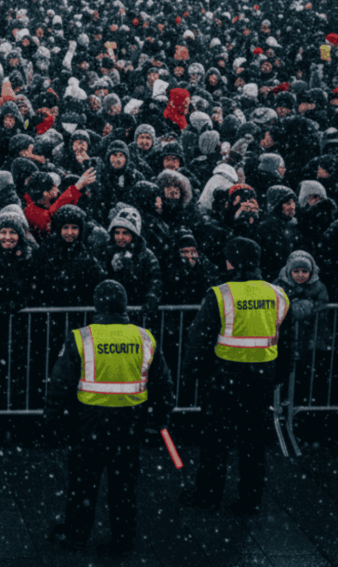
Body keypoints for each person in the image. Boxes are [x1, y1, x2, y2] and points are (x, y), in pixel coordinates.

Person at [46, 280, 175, 555]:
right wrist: (160, 417)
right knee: (124, 485)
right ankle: (123, 539)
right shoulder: (144, 338)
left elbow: (60, 384)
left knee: (83, 483)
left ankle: (76, 535)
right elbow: (162, 383)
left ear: (97, 305)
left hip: (90, 422)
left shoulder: (81, 338)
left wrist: (54, 421)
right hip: (130, 423)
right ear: (125, 305)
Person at [179, 237, 293, 514]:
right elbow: (288, 343)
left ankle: (208, 495)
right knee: (253, 442)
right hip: (261, 379)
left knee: (215, 441)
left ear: (231, 261)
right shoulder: (278, 295)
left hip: (223, 378)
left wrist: (191, 373)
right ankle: (250, 499)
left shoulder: (221, 294)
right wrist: (278, 374)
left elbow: (199, 338)